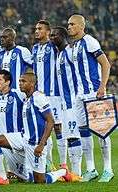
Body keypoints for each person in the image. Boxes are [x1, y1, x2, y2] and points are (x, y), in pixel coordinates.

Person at [68, 14, 113, 182]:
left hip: (94, 93)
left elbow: (105, 64)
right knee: (84, 132)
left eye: (72, 24)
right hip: (79, 95)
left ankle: (108, 169)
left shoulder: (90, 41)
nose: (69, 27)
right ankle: (91, 169)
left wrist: (102, 87)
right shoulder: (73, 46)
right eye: (68, 24)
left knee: (102, 131)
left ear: (81, 26)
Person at [18, 71, 69, 184]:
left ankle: (63, 172)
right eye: (20, 81)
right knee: (28, 178)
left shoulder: (39, 98)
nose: (20, 83)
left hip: (37, 144)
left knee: (40, 181)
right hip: (27, 143)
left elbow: (50, 121)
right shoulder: (26, 99)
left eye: (23, 81)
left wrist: (41, 144)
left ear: (32, 84)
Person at [32, 20, 67, 170]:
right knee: (43, 128)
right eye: (35, 29)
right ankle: (49, 162)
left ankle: (64, 164)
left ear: (48, 32)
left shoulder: (54, 47)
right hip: (39, 95)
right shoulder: (34, 48)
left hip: (54, 94)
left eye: (40, 29)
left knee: (58, 127)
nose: (36, 31)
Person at [50, 26, 83, 180]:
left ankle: (77, 172)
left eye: (55, 35)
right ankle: (72, 173)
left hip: (73, 102)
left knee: (73, 136)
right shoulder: (60, 54)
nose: (51, 38)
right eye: (51, 35)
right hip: (64, 103)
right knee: (68, 136)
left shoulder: (70, 51)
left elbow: (79, 72)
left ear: (63, 36)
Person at [0, 70, 26, 185]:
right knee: (26, 178)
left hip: (18, 143)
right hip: (5, 146)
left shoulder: (18, 94)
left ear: (7, 82)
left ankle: (2, 178)